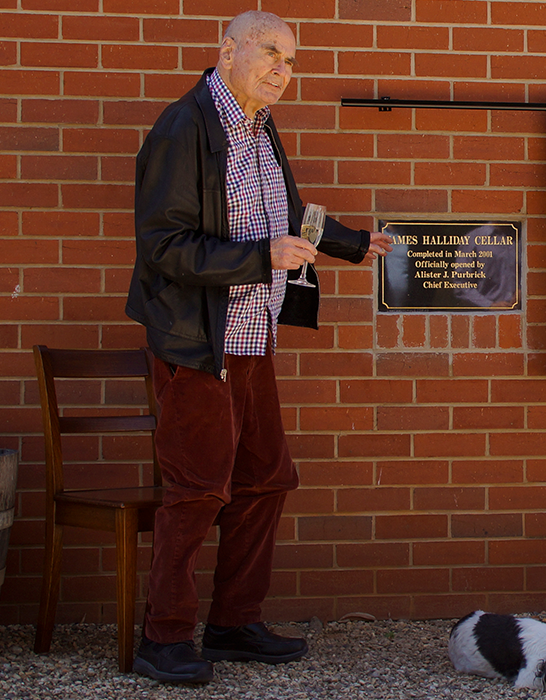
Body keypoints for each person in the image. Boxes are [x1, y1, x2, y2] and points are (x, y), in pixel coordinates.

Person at [124, 11, 392, 683]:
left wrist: (355, 245)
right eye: (270, 52)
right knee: (197, 490)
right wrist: (261, 257)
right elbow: (163, 247)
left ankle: (234, 623)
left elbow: (288, 217)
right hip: (198, 344)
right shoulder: (184, 128)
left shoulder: (261, 128)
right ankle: (164, 638)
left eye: (292, 60)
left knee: (267, 479)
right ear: (227, 51)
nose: (284, 68)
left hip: (251, 338)